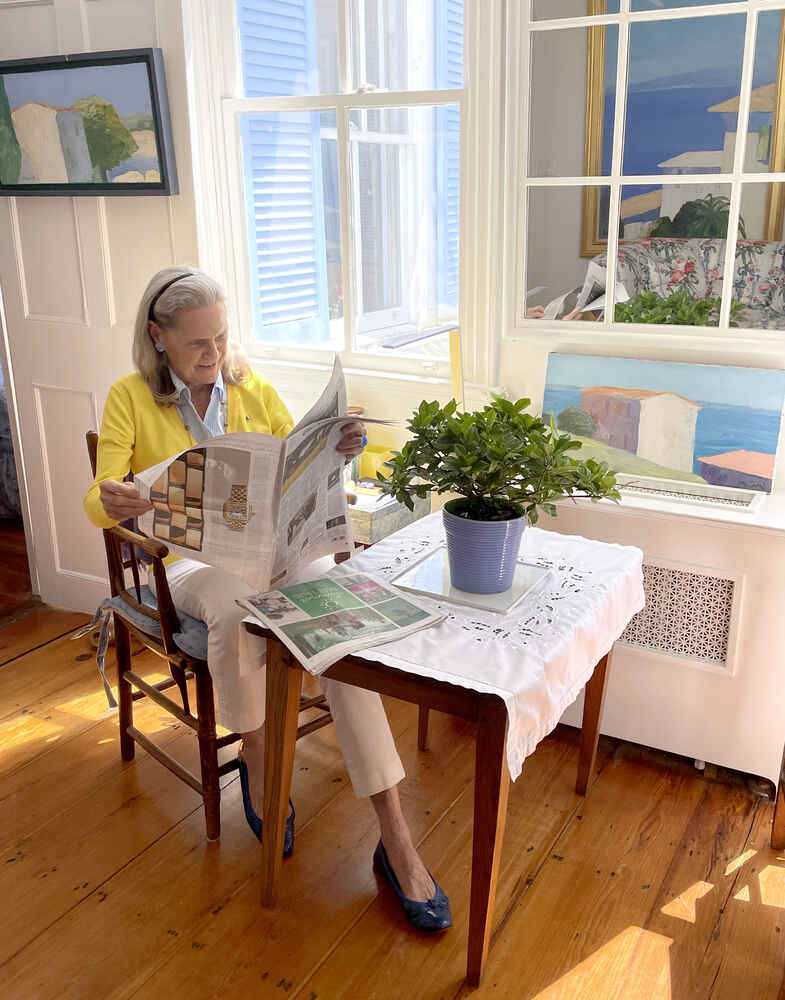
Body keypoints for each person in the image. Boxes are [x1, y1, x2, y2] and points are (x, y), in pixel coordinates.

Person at [84, 266, 451, 933]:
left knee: (333, 613)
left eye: (220, 337)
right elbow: (96, 498)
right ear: (156, 337)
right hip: (191, 567)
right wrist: (115, 496)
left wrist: (340, 450)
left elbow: (295, 462)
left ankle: (394, 834)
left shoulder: (250, 386)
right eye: (196, 343)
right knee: (232, 604)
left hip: (270, 556)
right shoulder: (129, 397)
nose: (213, 355)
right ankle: (258, 756)